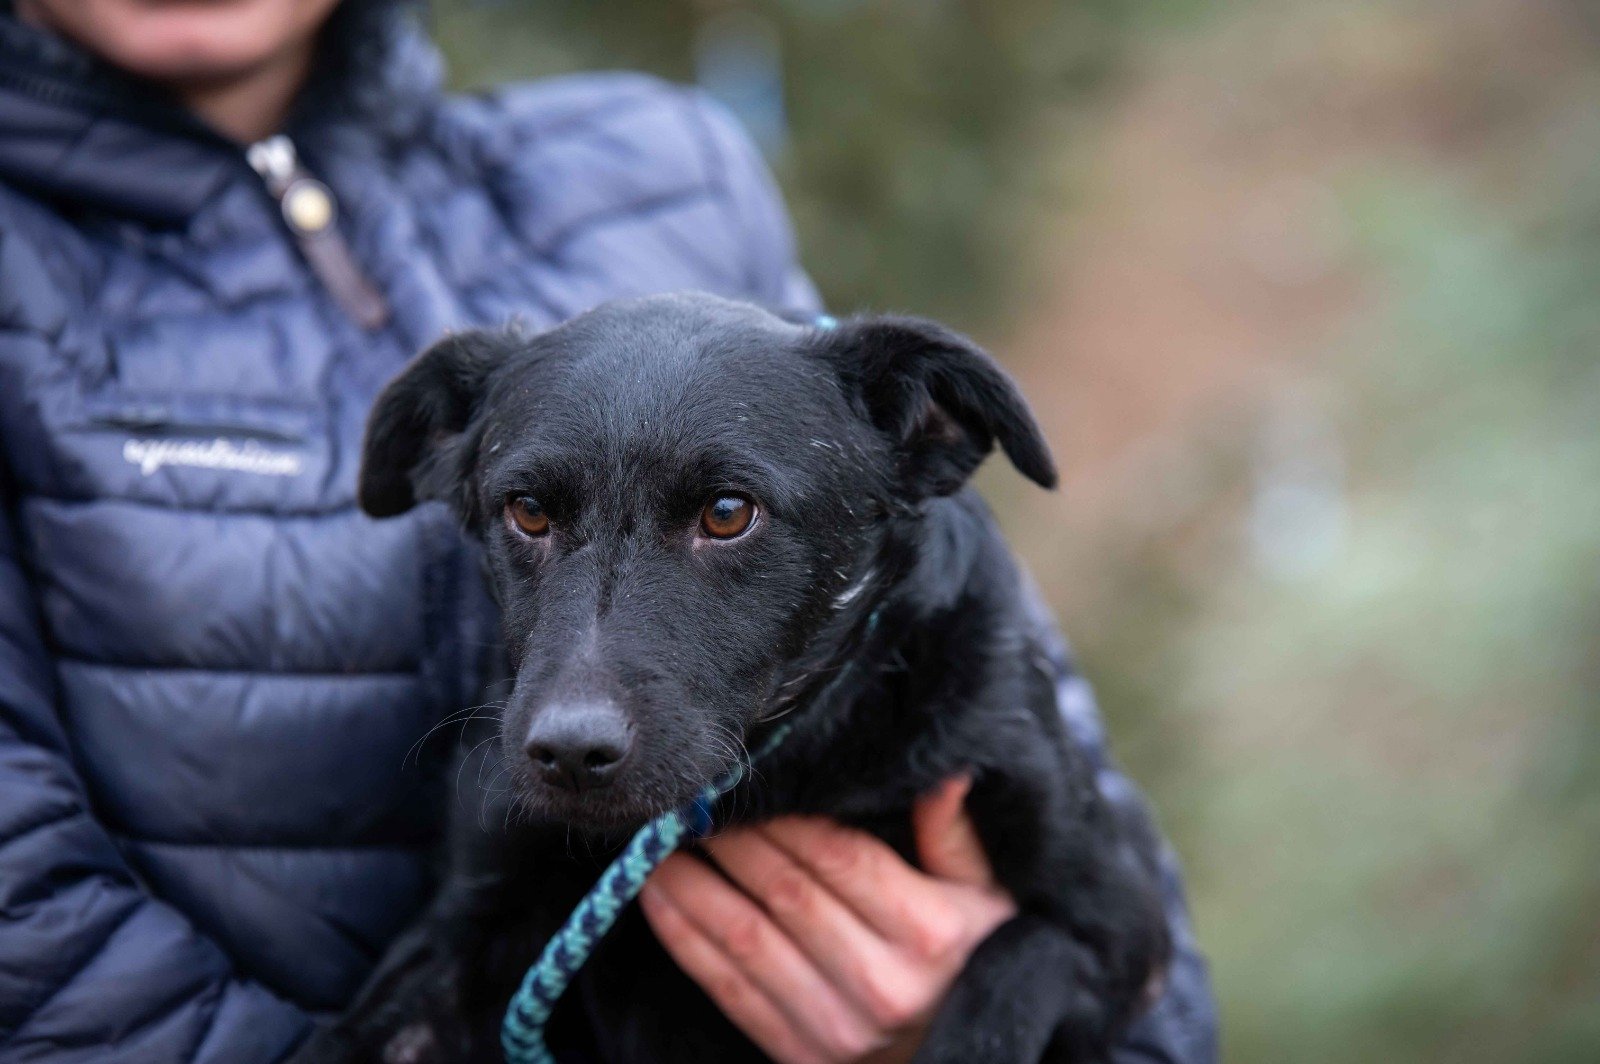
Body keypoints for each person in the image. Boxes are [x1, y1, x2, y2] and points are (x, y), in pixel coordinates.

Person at [0, 1, 1216, 1061]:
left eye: (722, 513)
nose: (573, 713)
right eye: (531, 512)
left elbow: (1132, 946)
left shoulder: (662, 177)